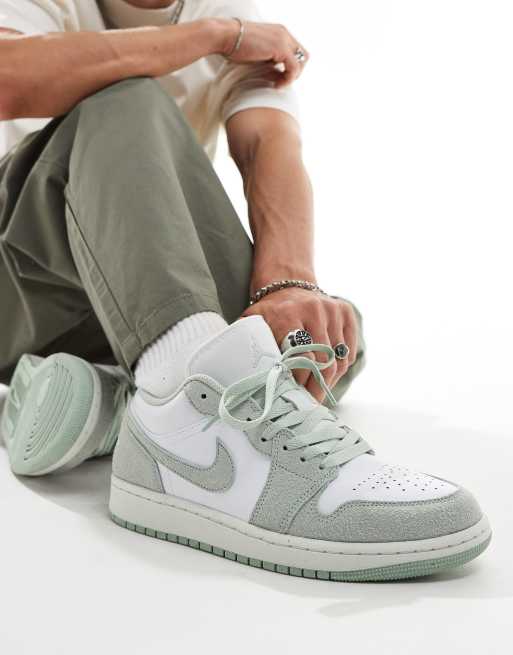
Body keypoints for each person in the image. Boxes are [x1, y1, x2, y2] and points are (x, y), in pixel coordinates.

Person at [0, 0, 490, 580]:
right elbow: (9, 76)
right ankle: (185, 425)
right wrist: (215, 37)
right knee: (127, 95)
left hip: (138, 291)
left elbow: (267, 147)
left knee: (324, 334)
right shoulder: (221, 28)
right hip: (23, 282)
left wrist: (288, 288)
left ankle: (135, 400)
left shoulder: (229, 9)